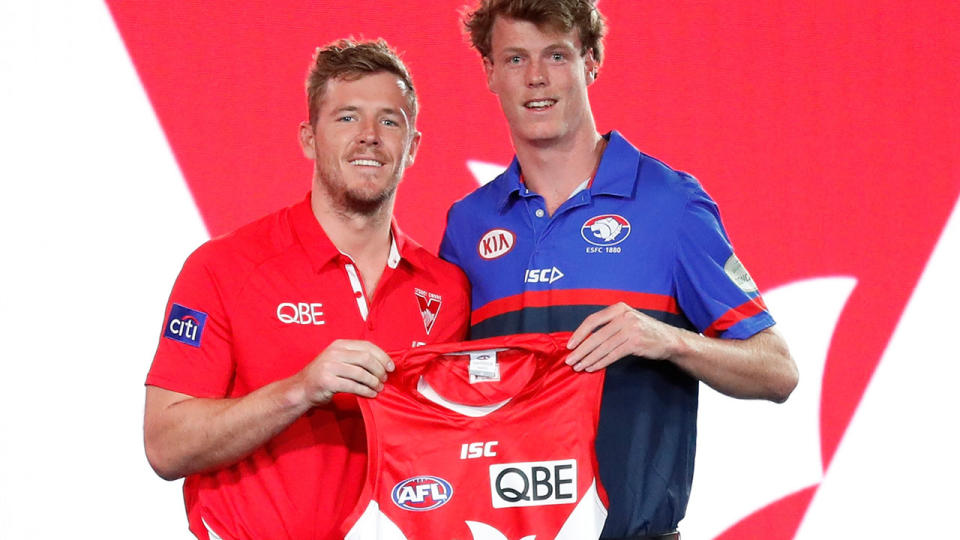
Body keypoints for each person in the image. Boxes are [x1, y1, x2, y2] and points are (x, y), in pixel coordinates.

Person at [439, 1, 799, 538]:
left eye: (556, 56)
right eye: (515, 59)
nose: (536, 78)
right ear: (490, 73)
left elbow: (777, 371)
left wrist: (669, 340)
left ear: (592, 60)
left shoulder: (671, 203)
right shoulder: (468, 224)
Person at [144, 39, 469, 540]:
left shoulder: (446, 288)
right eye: (346, 118)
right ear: (308, 138)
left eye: (389, 121)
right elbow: (166, 446)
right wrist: (302, 389)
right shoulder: (224, 267)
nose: (369, 136)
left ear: (413, 147)